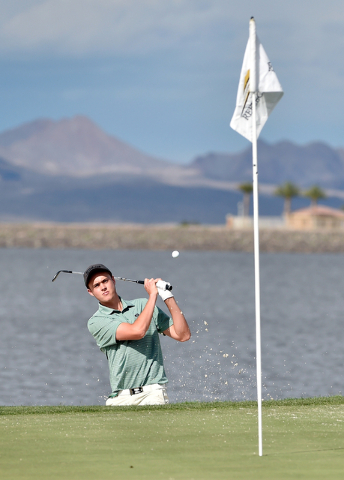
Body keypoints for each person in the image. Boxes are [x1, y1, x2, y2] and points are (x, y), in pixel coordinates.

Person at [85, 264, 191, 406]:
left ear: (113, 281)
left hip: (153, 392)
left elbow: (182, 335)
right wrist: (153, 295)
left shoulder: (143, 305)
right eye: (96, 285)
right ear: (91, 292)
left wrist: (167, 296)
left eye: (105, 281)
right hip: (121, 396)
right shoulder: (96, 321)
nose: (103, 287)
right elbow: (138, 331)